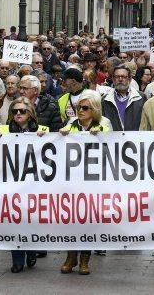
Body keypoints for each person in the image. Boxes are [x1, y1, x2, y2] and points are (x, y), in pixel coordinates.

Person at [59, 90, 111, 275]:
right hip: (73, 181)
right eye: (79, 107)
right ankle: (71, 256)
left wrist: (100, 134)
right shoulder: (71, 124)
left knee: (88, 220)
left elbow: (111, 147)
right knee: (72, 219)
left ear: (94, 109)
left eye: (85, 108)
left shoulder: (104, 123)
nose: (80, 111)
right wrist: (60, 135)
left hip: (94, 182)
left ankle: (84, 259)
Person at [0, 97, 47, 273]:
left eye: (22, 111)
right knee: (13, 221)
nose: (18, 114)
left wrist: (45, 138)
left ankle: (31, 250)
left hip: (34, 184)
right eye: (14, 111)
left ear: (30, 115)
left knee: (30, 219)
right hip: (11, 183)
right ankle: (17, 259)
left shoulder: (42, 130)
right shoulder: (3, 130)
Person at [101, 65, 146, 131]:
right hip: (113, 140)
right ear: (113, 79)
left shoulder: (141, 97)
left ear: (130, 79)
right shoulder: (105, 99)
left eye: (124, 77)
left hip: (135, 139)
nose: (120, 79)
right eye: (117, 77)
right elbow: (101, 121)